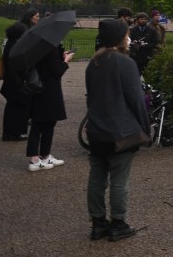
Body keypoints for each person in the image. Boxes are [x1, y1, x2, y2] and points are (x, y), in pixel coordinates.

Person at [85, 18, 151, 242]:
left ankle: (97, 222)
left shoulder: (93, 62)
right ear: (121, 37)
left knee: (96, 178)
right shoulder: (125, 63)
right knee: (119, 179)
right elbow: (136, 100)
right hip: (120, 131)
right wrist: (145, 128)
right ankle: (118, 222)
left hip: (97, 129)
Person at [26, 32, 74, 172]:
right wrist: (66, 61)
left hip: (40, 88)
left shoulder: (39, 46)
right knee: (43, 123)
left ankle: (44, 155)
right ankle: (36, 158)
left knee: (44, 122)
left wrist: (60, 55)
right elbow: (57, 71)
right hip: (49, 89)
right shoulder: (50, 47)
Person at [0, 22, 31, 141]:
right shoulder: (15, 46)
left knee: (12, 108)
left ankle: (11, 132)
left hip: (11, 81)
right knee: (18, 107)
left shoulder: (11, 44)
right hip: (15, 81)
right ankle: (16, 132)